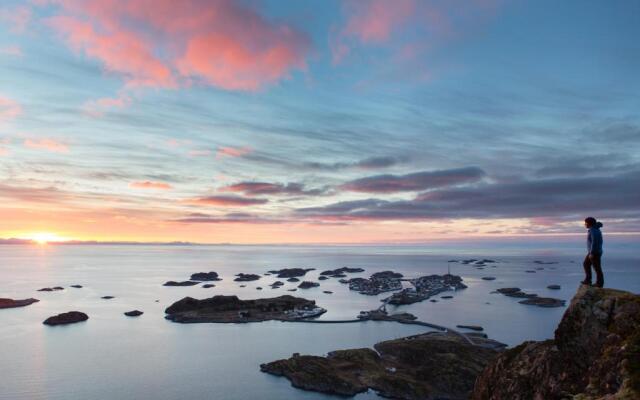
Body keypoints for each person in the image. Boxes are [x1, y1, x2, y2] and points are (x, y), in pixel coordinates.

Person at [582, 217, 604, 287]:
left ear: (589, 223)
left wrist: (592, 253)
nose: (585, 224)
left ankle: (599, 284)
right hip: (595, 251)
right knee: (586, 264)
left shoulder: (593, 230)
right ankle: (588, 280)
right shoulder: (595, 229)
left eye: (585, 223)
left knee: (597, 268)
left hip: (594, 252)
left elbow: (595, 242)